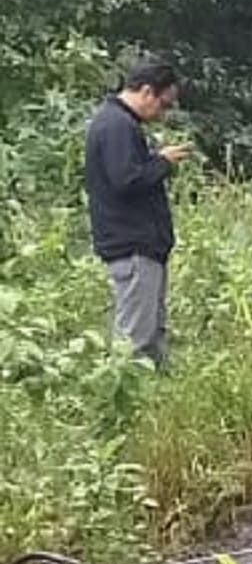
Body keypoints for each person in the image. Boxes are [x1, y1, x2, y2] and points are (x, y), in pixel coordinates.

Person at [84, 59, 192, 367]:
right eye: (165, 104)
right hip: (132, 245)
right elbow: (126, 181)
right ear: (147, 92)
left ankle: (156, 407)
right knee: (134, 342)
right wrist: (162, 163)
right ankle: (122, 407)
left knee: (152, 335)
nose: (164, 113)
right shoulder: (117, 125)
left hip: (141, 245)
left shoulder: (120, 123)